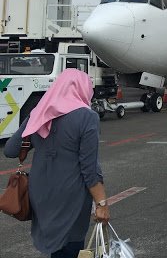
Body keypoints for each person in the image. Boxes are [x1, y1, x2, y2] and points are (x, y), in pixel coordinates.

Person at [4, 69, 109, 258]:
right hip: (71, 194)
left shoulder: (39, 113)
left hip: (40, 194)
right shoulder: (87, 117)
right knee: (70, 246)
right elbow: (89, 168)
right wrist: (101, 203)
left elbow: (10, 150)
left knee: (56, 248)